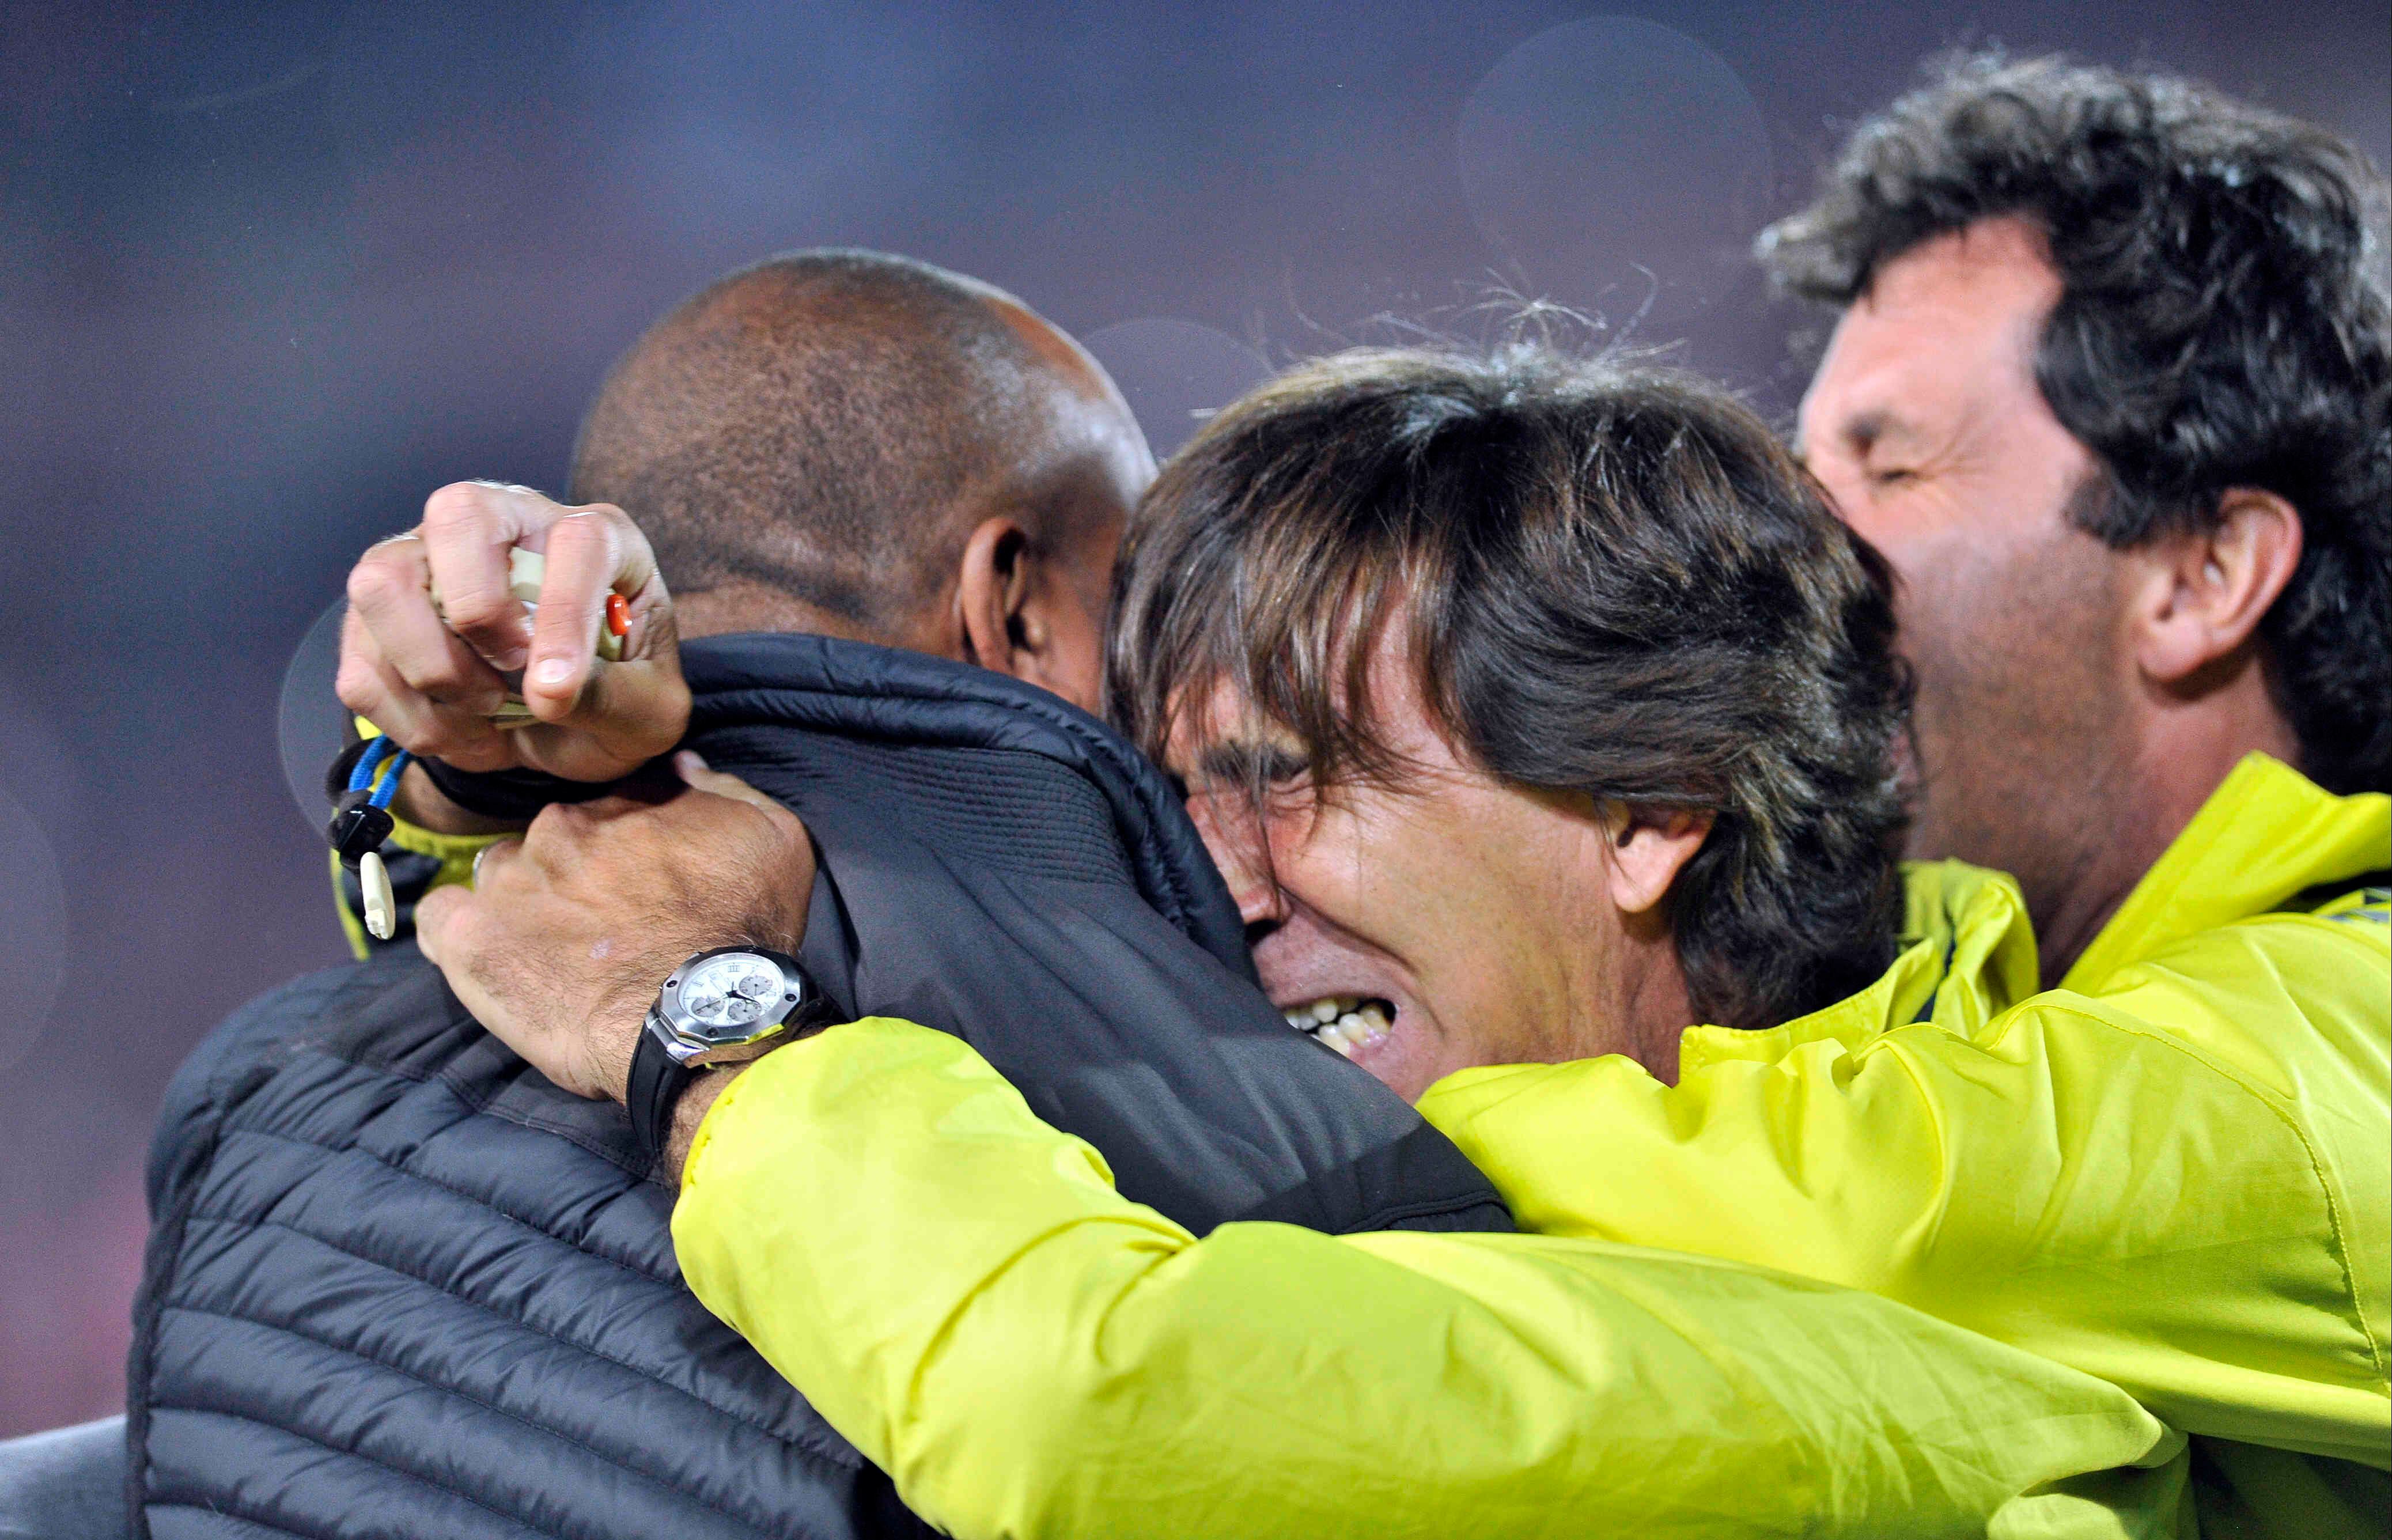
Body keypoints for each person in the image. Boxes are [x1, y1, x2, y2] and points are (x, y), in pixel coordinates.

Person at [416, 347, 2192, 1537]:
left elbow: (1087, 1400)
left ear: (1651, 811)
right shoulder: (1330, 1149)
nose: (1219, 886)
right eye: (1172, 799)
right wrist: (469, 765)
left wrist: (707, 1035)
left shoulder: (1891, 1391)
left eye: (1288, 783)